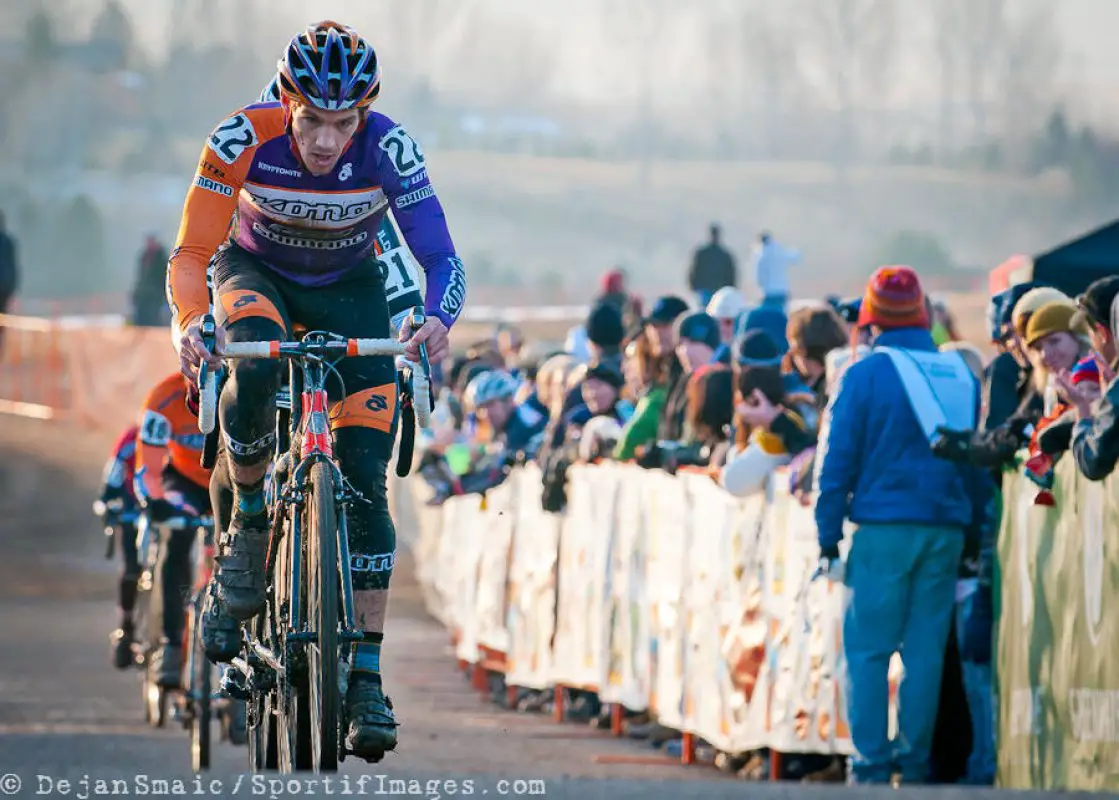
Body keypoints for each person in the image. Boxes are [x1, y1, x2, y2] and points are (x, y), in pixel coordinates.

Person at [169, 21, 466, 762]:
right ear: (285, 102)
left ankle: (364, 677)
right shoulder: (241, 137)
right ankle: (250, 522)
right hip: (255, 277)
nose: (328, 140)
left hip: (350, 292)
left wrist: (436, 321)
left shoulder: (388, 147)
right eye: (312, 121)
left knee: (366, 478)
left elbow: (440, 256)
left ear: (364, 115)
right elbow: (193, 252)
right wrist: (189, 321)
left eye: (344, 122)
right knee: (256, 364)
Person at [814, 266, 990, 785]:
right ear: (922, 312)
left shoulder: (863, 373)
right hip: (946, 528)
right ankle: (913, 766)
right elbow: (973, 460)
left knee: (868, 651)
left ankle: (870, 766)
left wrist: (827, 533)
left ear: (870, 318)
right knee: (924, 653)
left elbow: (836, 460)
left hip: (883, 528)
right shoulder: (958, 373)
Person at [132, 372, 214, 688]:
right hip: (186, 483)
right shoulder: (163, 397)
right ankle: (169, 642)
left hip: (230, 479)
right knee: (175, 537)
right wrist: (154, 502)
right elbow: (148, 468)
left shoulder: (239, 392)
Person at [96, 424, 142, 669]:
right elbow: (112, 479)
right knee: (131, 570)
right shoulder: (131, 438)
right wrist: (106, 502)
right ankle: (126, 625)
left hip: (168, 516)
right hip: (133, 516)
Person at [687, 223, 737, 307]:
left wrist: (693, 286)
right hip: (716, 291)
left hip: (710, 290)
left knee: (705, 311)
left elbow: (694, 271)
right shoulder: (724, 254)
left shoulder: (702, 253)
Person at [750, 230, 800, 311]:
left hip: (768, 293)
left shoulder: (760, 256)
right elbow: (795, 258)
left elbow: (759, 278)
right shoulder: (780, 250)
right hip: (782, 292)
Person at [131, 233, 170, 326]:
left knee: (154, 314)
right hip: (144, 291)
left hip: (156, 291)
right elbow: (141, 275)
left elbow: (164, 275)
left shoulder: (162, 257)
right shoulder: (144, 256)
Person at [0, 210, 19, 347]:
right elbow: (14, 267)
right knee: (2, 321)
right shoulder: (9, 241)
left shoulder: (8, 242)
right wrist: (13, 288)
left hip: (5, 287)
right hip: (5, 288)